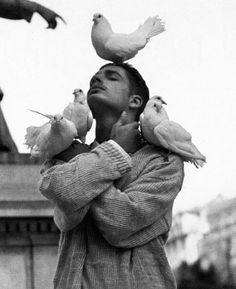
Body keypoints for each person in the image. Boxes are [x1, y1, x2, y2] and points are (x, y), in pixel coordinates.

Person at [39, 62, 185, 289]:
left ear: (135, 101)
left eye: (111, 77)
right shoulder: (63, 151)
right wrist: (113, 149)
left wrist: (92, 167)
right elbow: (59, 192)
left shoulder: (164, 162)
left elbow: (121, 221)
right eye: (93, 79)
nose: (96, 80)